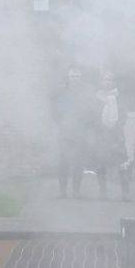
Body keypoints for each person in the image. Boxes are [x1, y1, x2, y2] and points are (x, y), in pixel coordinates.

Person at [55, 67, 96, 198]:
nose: (75, 78)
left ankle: (76, 190)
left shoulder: (86, 93)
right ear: (69, 77)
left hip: (80, 132)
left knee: (78, 163)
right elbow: (56, 111)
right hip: (65, 132)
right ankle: (62, 190)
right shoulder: (62, 92)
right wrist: (61, 122)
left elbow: (91, 111)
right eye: (72, 76)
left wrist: (86, 124)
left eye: (77, 76)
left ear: (80, 78)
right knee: (63, 162)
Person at [94, 70, 130, 199]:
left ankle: (125, 193)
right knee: (101, 164)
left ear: (114, 82)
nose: (107, 82)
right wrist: (100, 128)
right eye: (105, 79)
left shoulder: (119, 97)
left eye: (110, 80)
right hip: (101, 135)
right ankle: (103, 192)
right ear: (101, 82)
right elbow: (92, 116)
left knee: (122, 163)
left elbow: (123, 116)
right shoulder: (96, 97)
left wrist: (114, 127)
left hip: (116, 135)